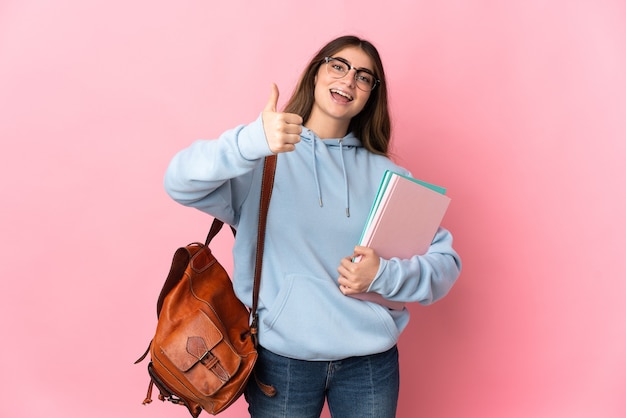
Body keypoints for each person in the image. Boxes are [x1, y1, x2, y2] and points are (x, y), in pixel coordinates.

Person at [164, 35, 461, 418]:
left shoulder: (388, 175)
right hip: (281, 361)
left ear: (371, 93)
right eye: (338, 66)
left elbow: (445, 264)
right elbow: (178, 180)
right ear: (316, 72)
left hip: (369, 364)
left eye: (364, 77)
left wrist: (382, 275)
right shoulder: (262, 158)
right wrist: (250, 142)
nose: (349, 80)